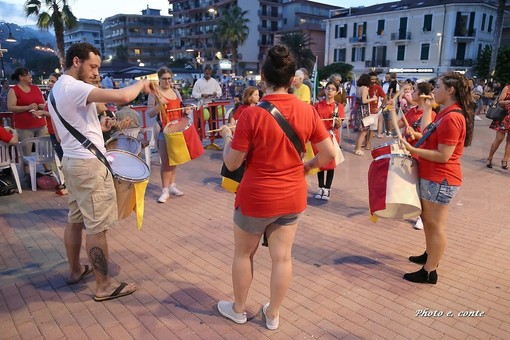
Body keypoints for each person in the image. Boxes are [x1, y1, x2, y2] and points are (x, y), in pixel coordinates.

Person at [217, 44, 335, 330]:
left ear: (262, 75)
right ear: (292, 78)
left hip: (256, 196)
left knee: (244, 254)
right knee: (283, 258)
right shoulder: (307, 111)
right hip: (292, 196)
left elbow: (232, 164)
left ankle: (239, 309)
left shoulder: (252, 114)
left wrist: (225, 139)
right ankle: (273, 315)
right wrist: (305, 167)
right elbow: (329, 154)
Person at [48, 42, 153, 301]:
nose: (96, 72)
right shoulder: (74, 86)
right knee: (96, 227)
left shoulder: (55, 90)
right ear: (76, 62)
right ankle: (103, 285)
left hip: (72, 162)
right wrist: (142, 84)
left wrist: (99, 127)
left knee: (75, 219)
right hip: (89, 166)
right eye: (92, 66)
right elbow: (123, 97)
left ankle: (74, 271)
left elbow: (66, 135)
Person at [399, 72, 474, 284]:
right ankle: (430, 255)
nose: (434, 91)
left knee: (435, 225)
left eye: (438, 86)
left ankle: (430, 270)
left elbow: (444, 155)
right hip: (434, 176)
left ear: (450, 90)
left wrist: (413, 149)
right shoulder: (444, 112)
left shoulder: (453, 117)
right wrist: (428, 108)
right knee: (428, 221)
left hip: (441, 178)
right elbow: (426, 131)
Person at [396, 81, 436, 230]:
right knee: (408, 182)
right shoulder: (411, 111)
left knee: (420, 186)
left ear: (421, 95)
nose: (411, 93)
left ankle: (421, 216)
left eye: (414, 91)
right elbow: (397, 125)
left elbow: (428, 136)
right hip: (407, 151)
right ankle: (410, 208)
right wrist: (392, 112)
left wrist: (416, 134)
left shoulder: (430, 113)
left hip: (420, 152)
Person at [147, 67, 187, 203]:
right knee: (165, 162)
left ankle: (172, 186)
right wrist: (160, 106)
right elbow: (150, 113)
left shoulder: (176, 91)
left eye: (169, 78)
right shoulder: (154, 93)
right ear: (159, 79)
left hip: (177, 129)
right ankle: (165, 190)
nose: (167, 81)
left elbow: (181, 108)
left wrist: (186, 110)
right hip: (163, 130)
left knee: (174, 159)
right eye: (164, 78)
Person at [7, 67, 48, 175]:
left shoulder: (36, 88)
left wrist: (41, 106)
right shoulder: (14, 90)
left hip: (40, 124)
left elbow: (44, 103)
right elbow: (11, 107)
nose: (30, 76)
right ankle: (28, 174)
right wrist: (27, 107)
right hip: (24, 126)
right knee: (27, 151)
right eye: (28, 74)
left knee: (43, 149)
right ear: (21, 77)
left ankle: (48, 170)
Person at [313, 81, 344, 200]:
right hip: (320, 136)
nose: (330, 91)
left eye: (332, 89)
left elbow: (339, 124)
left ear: (336, 92)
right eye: (328, 88)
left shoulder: (338, 106)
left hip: (331, 136)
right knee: (319, 161)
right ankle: (320, 187)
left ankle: (327, 188)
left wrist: (338, 123)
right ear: (324, 90)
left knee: (331, 163)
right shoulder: (318, 105)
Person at [486, 82, 510, 170]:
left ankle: (505, 160)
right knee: (499, 139)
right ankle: (490, 158)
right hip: (504, 117)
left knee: (509, 141)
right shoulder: (507, 88)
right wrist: (507, 102)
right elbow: (499, 101)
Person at [353, 74, 378, 156]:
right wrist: (373, 99)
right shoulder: (364, 88)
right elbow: (364, 101)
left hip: (359, 110)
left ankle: (356, 148)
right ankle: (358, 149)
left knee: (360, 132)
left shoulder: (358, 88)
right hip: (364, 111)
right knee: (364, 132)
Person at [192, 65, 222, 130]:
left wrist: (216, 93)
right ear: (204, 72)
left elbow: (219, 91)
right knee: (200, 122)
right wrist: (202, 95)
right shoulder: (198, 82)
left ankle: (213, 137)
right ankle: (200, 136)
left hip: (212, 103)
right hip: (202, 104)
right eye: (207, 74)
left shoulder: (214, 81)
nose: (208, 75)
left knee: (212, 122)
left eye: (209, 74)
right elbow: (194, 93)